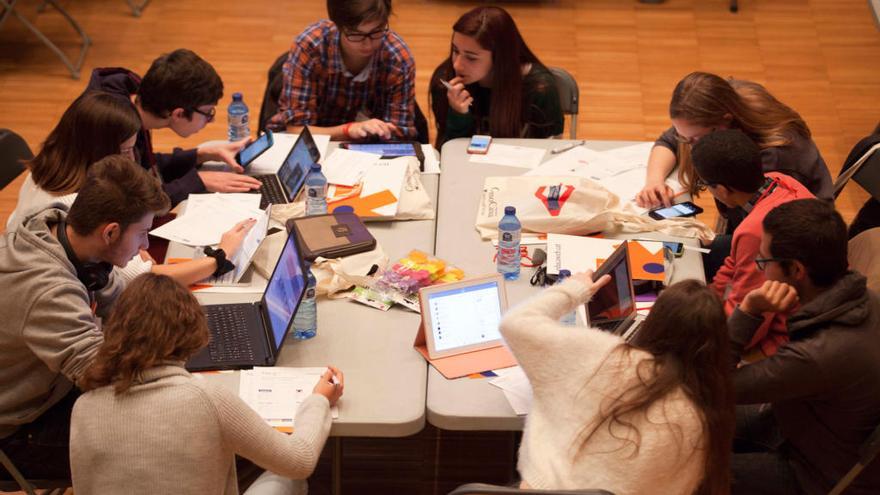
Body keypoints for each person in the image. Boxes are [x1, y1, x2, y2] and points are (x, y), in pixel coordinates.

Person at [70, 273, 343, 494]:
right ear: (190, 334)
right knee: (287, 480)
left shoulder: (83, 407)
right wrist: (318, 400)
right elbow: (299, 461)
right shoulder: (205, 398)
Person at [0, 155, 170, 480]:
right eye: (143, 233)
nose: (145, 245)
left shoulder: (62, 230)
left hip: (52, 388)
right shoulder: (47, 291)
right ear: (110, 233)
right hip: (20, 426)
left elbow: (121, 296)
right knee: (161, 441)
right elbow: (96, 372)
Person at [500, 276, 735, 494]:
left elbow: (515, 323)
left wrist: (574, 289)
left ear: (655, 322)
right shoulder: (701, 420)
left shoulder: (604, 355)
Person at [7, 91, 256, 287]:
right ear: (99, 151)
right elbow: (145, 279)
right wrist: (219, 257)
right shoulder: (77, 201)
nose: (132, 159)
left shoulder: (58, 164)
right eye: (125, 151)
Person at [728, 199, 880, 495]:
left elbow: (714, 383)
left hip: (815, 473)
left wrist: (748, 310)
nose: (762, 273)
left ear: (796, 270)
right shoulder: (867, 299)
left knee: (692, 463)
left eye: (764, 262)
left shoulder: (816, 356)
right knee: (695, 416)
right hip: (816, 429)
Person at [692, 129, 814, 357]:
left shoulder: (756, 231)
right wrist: (709, 300)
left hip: (787, 339)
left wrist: (704, 326)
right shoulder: (781, 180)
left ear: (721, 189)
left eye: (705, 185)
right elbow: (733, 262)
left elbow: (751, 316)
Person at [86, 48, 261, 205]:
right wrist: (197, 181)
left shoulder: (134, 105)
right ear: (178, 114)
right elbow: (130, 205)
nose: (211, 121)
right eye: (208, 113)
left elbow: (146, 165)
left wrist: (201, 155)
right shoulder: (115, 129)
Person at [636, 72, 832, 212]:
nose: (690, 147)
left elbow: (751, 224)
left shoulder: (773, 158)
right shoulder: (725, 103)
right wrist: (654, 181)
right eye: (685, 138)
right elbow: (669, 141)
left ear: (725, 121)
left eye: (695, 139)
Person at [267, 0, 417, 141]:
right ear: (338, 26)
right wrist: (348, 130)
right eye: (356, 34)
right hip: (309, 144)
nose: (367, 44)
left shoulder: (398, 59)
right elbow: (296, 130)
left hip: (368, 150)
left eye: (376, 31)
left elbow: (399, 133)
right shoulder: (310, 47)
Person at [429, 6, 564, 147]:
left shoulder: (539, 89)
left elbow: (551, 152)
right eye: (455, 51)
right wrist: (458, 115)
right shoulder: (445, 82)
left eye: (471, 58)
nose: (457, 65)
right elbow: (447, 155)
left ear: (500, 57)